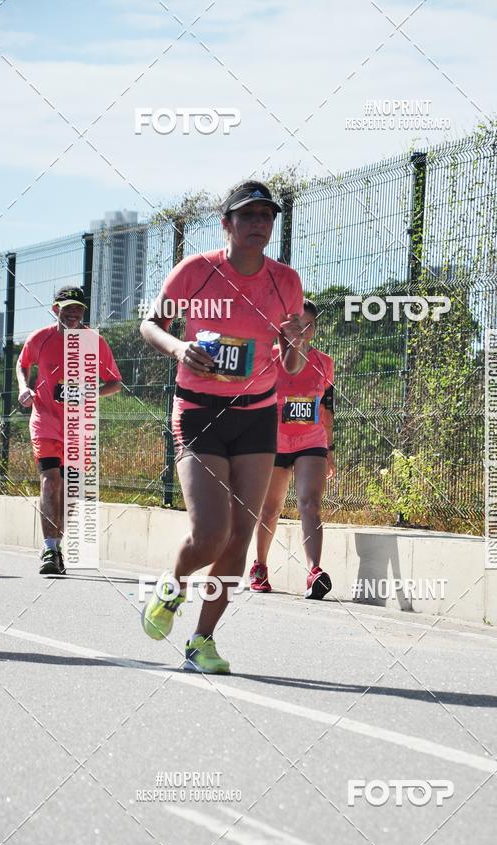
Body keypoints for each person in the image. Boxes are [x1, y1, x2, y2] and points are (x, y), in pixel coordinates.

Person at [139, 180, 304, 674]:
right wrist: (177, 348)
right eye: (248, 215)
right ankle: (173, 583)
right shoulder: (196, 271)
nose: (259, 224)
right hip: (198, 411)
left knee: (240, 536)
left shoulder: (285, 281)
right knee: (212, 532)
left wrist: (292, 344)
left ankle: (202, 641)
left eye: (266, 217)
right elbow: (151, 324)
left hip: (256, 413)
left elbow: (292, 366)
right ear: (226, 223)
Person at [16, 286, 122, 575]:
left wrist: (90, 394)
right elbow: (22, 364)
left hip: (79, 427)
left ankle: (57, 545)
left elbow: (114, 382)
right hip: (46, 422)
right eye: (68, 308)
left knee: (70, 491)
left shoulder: (93, 342)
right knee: (51, 482)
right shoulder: (40, 338)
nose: (74, 314)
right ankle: (50, 549)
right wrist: (24, 388)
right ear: (56, 310)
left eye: (79, 309)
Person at [249, 300, 335, 600]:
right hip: (273, 444)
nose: (303, 330)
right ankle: (259, 566)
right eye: (297, 324)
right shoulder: (269, 358)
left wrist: (330, 448)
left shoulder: (324, 362)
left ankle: (315, 572)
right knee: (270, 509)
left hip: (311, 442)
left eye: (308, 325)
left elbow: (326, 408)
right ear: (285, 328)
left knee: (310, 503)